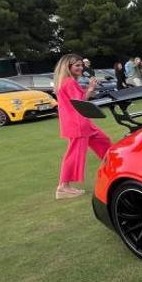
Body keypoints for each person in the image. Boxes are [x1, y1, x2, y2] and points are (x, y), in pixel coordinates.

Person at [53, 54, 112, 199]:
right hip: (77, 124)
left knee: (103, 141)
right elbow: (80, 102)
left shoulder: (67, 81)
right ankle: (63, 187)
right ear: (68, 67)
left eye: (81, 65)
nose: (80, 68)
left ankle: (114, 169)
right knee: (74, 154)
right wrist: (91, 89)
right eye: (77, 65)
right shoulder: (69, 82)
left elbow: (78, 101)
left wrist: (89, 90)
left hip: (81, 123)